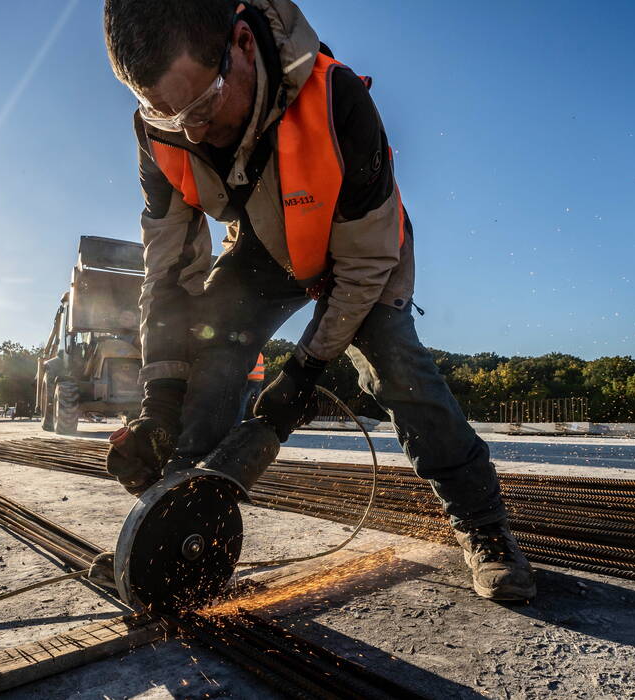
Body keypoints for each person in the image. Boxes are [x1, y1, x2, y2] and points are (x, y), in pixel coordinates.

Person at [101, 0, 534, 600]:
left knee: (397, 369)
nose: (192, 130)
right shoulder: (161, 129)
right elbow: (169, 271)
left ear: (244, 44)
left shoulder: (339, 102)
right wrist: (160, 400)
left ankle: (484, 526)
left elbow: (361, 271)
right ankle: (172, 508)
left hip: (360, 252)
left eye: (201, 105)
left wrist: (292, 394)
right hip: (263, 244)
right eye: (170, 116)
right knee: (211, 343)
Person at [235, 352, 266, 423]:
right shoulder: (260, 354)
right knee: (259, 402)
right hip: (260, 379)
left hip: (251, 380)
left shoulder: (250, 352)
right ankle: (263, 421)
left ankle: (236, 424)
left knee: (242, 402)